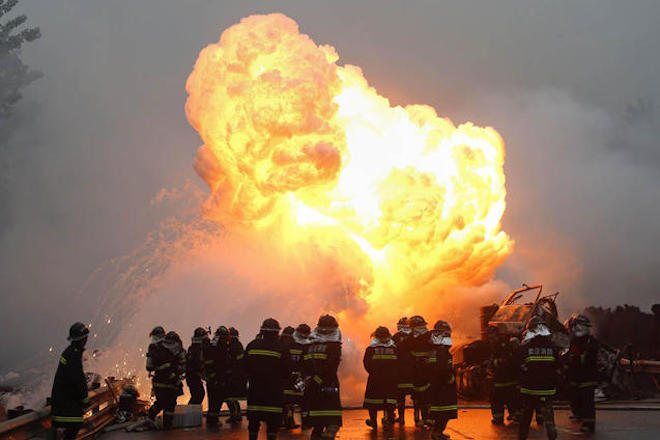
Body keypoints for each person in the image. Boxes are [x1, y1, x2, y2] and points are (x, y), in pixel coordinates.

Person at [244, 318, 289, 440]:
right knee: (272, 425)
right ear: (276, 332)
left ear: (262, 331)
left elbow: (244, 367)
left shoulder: (252, 345)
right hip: (274, 393)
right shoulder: (281, 348)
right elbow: (287, 370)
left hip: (255, 392)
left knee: (253, 422)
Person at [517, 316, 560, 440]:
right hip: (547, 389)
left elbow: (519, 366)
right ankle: (552, 434)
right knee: (548, 415)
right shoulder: (553, 348)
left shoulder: (525, 348)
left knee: (526, 416)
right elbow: (558, 366)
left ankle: (522, 436)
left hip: (529, 390)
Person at [305, 315, 343, 440]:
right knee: (331, 413)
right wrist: (318, 380)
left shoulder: (310, 344)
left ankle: (317, 434)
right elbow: (331, 367)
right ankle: (329, 433)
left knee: (318, 415)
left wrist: (309, 379)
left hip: (312, 385)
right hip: (329, 384)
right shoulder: (334, 346)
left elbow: (303, 363)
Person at [50, 322, 90, 440]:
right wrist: (85, 399)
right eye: (86, 337)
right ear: (82, 339)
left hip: (62, 404)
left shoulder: (69, 352)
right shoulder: (73, 355)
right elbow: (77, 379)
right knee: (71, 433)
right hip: (68, 407)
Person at [147, 330, 186, 429]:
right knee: (165, 403)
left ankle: (165, 423)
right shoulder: (164, 352)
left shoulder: (161, 349)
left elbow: (182, 364)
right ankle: (152, 418)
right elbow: (177, 367)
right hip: (166, 382)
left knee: (168, 403)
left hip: (166, 382)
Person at [566, 314, 598, 433]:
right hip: (575, 376)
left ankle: (589, 425)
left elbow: (589, 359)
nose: (574, 329)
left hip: (587, 377)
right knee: (575, 397)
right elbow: (570, 356)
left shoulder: (591, 341)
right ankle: (579, 415)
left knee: (587, 401)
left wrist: (576, 359)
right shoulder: (574, 341)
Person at [363, 326, 398, 430]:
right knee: (388, 401)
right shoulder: (393, 348)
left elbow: (366, 363)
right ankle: (387, 419)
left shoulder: (371, 349)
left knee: (373, 402)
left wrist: (374, 373)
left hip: (375, 380)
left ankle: (373, 421)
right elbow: (398, 363)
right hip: (390, 380)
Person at [427, 320, 457, 440]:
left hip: (436, 385)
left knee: (441, 412)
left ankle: (437, 432)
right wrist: (450, 378)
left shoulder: (434, 350)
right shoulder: (441, 351)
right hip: (443, 386)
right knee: (445, 412)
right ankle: (437, 433)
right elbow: (443, 368)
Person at [487, 326, 520, 424]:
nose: (490, 339)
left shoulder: (502, 345)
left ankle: (499, 418)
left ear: (496, 335)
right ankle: (513, 415)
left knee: (498, 399)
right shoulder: (502, 344)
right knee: (510, 398)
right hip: (507, 379)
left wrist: (493, 363)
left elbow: (504, 361)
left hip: (503, 379)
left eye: (491, 336)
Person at [203, 326, 232, 428]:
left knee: (213, 400)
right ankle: (213, 420)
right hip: (218, 378)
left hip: (212, 378)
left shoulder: (212, 345)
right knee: (217, 400)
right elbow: (221, 363)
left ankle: (211, 419)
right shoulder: (221, 346)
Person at [408, 315, 431, 427]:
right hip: (416, 371)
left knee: (427, 396)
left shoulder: (429, 336)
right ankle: (420, 418)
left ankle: (427, 418)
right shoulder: (410, 338)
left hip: (425, 370)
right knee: (418, 396)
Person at [280, 326, 303, 429]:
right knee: (291, 402)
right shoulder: (299, 347)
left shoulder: (281, 347)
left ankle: (285, 421)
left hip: (285, 378)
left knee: (286, 401)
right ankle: (289, 421)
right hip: (296, 378)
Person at [392, 317, 414, 425]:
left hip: (399, 372)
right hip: (413, 371)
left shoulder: (395, 337)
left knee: (400, 397)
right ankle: (418, 418)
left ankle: (401, 418)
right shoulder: (414, 337)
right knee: (417, 397)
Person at [225, 326, 247, 423]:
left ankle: (235, 415)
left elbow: (233, 362)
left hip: (235, 376)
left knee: (230, 396)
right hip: (237, 375)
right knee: (232, 397)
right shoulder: (236, 345)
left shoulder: (233, 346)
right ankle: (236, 414)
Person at [186, 327, 209, 405]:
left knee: (197, 395)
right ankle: (190, 413)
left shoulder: (193, 347)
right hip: (193, 376)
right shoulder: (198, 348)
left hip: (192, 376)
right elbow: (198, 363)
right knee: (198, 395)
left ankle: (191, 412)